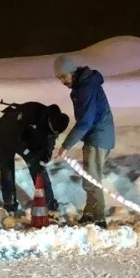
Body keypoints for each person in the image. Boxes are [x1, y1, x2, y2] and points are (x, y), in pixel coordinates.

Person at [52, 55, 115, 226]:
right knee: (90, 177)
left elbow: (85, 121)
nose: (62, 82)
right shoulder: (84, 85)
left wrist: (66, 145)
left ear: (71, 72)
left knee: (93, 178)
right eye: (59, 78)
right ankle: (89, 213)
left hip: (98, 136)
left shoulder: (85, 88)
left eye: (63, 77)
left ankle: (99, 217)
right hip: (97, 135)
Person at [0, 101, 68, 216]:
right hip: (5, 135)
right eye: (52, 130)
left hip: (26, 140)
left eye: (55, 132)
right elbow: (16, 139)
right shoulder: (31, 112)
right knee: (7, 169)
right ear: (49, 121)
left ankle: (49, 203)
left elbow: (49, 141)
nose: (53, 132)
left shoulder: (54, 124)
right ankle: (9, 205)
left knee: (39, 168)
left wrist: (45, 158)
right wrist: (29, 154)